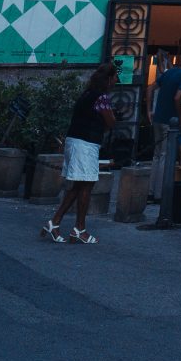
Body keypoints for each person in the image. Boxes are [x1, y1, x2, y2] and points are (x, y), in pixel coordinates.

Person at [45, 63, 117, 245]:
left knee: (78, 185)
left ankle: (55, 222)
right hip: (86, 143)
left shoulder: (86, 94)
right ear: (109, 79)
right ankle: (80, 229)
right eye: (115, 77)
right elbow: (111, 121)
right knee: (86, 184)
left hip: (75, 140)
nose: (116, 81)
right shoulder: (101, 98)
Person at [150, 52, 181, 203]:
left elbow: (150, 89)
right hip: (170, 119)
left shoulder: (169, 73)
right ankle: (159, 194)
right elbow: (177, 97)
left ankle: (151, 191)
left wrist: (149, 110)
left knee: (157, 155)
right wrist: (180, 116)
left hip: (157, 118)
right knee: (164, 155)